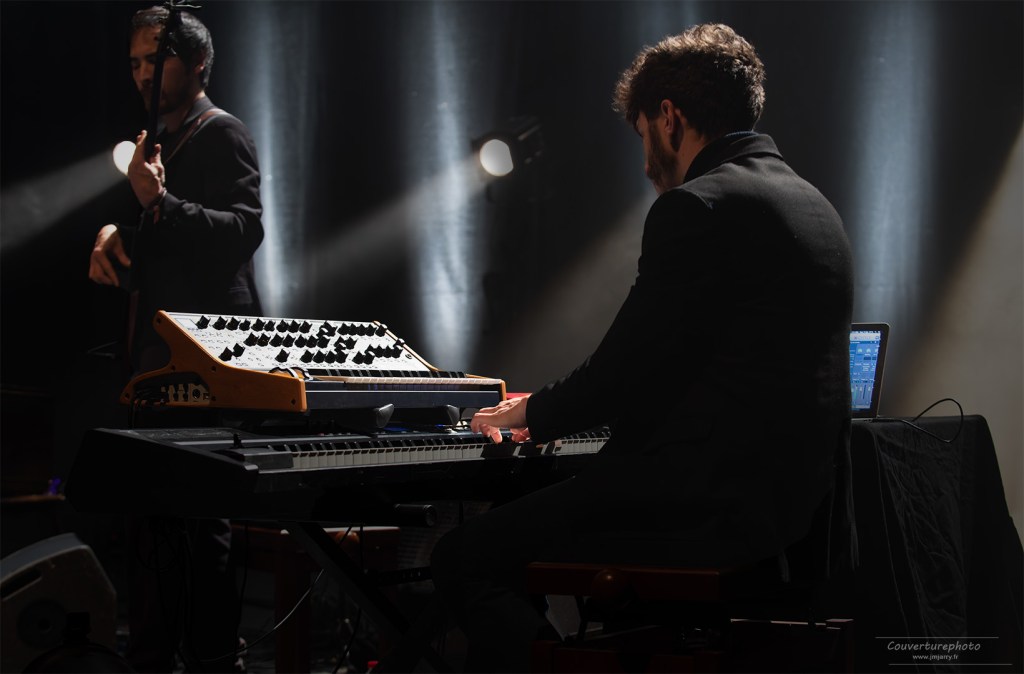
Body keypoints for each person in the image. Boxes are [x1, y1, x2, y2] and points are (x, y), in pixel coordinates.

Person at [430, 23, 855, 672]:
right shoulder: (814, 206)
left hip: (701, 507)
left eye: (641, 135)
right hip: (791, 511)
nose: (646, 160)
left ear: (668, 117)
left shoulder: (698, 206)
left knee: (465, 557)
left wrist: (527, 412)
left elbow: (620, 375)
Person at [87, 6, 264, 672]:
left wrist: (159, 205)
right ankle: (155, 655)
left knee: (196, 518)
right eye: (135, 62)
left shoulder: (222, 133)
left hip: (204, 357)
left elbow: (242, 230)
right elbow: (176, 248)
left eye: (155, 61)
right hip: (159, 357)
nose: (143, 73)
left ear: (197, 64)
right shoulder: (165, 139)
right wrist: (119, 236)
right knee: (154, 517)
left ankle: (211, 656)